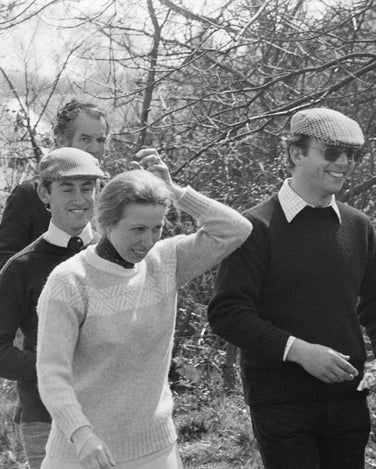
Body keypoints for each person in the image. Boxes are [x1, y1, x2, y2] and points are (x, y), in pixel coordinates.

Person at [207, 107, 376, 469]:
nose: (344, 163)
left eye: (353, 154)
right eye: (331, 152)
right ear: (297, 153)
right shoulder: (255, 227)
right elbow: (227, 313)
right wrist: (298, 351)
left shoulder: (357, 226)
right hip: (281, 405)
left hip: (349, 402)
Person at [35, 155, 252, 469]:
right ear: (107, 222)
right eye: (137, 229)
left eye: (157, 228)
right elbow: (52, 374)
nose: (148, 241)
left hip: (155, 451)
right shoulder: (70, 281)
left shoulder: (166, 261)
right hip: (82, 454)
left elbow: (236, 229)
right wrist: (82, 436)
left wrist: (174, 190)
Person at [0, 148, 105, 469]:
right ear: (44, 192)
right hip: (45, 420)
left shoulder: (115, 254)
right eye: (66, 188)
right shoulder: (21, 267)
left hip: (112, 415)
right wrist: (54, 370)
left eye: (87, 187)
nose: (80, 198)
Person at [0, 100, 109, 268]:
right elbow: (5, 262)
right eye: (85, 139)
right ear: (61, 140)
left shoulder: (110, 193)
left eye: (101, 140)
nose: (95, 148)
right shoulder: (30, 193)